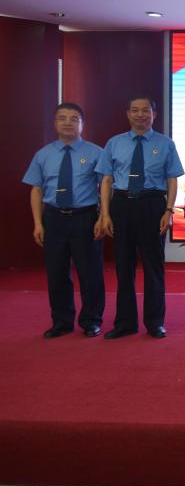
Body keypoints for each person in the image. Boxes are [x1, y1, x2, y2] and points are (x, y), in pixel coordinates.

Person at [98, 95, 184, 339]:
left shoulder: (165, 144)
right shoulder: (114, 143)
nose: (140, 115)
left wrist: (168, 211)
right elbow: (106, 180)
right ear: (128, 114)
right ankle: (125, 323)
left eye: (145, 110)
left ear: (154, 114)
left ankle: (155, 322)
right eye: (135, 110)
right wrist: (105, 214)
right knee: (123, 267)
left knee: (153, 266)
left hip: (152, 205)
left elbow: (172, 179)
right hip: (122, 205)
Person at [22, 102, 106, 338]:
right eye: (62, 118)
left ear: (82, 124)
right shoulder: (43, 154)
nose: (68, 122)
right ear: (55, 123)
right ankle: (61, 321)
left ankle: (91, 320)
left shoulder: (96, 153)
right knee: (57, 273)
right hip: (53, 219)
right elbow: (36, 189)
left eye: (74, 118)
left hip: (85, 218)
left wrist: (103, 217)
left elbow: (106, 187)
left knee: (90, 273)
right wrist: (38, 223)